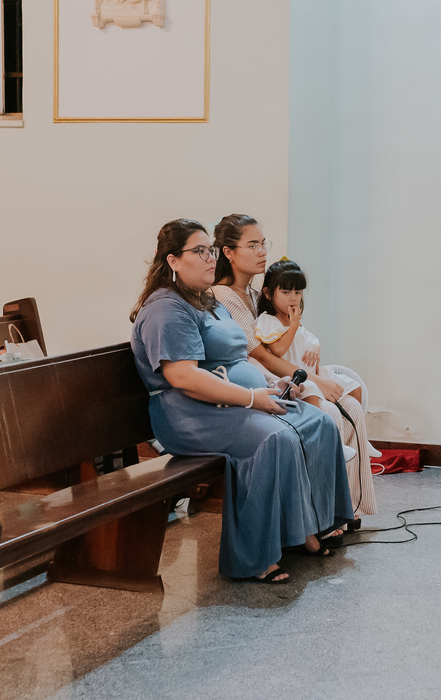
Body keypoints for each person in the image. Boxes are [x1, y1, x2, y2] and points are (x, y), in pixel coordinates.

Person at [130, 219, 352, 583]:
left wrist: (272, 381)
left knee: (318, 424)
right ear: (172, 260)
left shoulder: (208, 301)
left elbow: (240, 357)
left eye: (210, 250)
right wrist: (251, 398)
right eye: (198, 251)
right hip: (188, 413)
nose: (208, 258)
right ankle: (254, 558)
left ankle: (305, 530)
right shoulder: (166, 309)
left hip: (231, 402)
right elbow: (182, 377)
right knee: (272, 438)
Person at [210, 214, 377, 522]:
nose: (262, 251)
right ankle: (318, 517)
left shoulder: (252, 293)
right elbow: (261, 355)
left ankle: (347, 507)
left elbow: (287, 338)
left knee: (352, 408)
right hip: (264, 382)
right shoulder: (224, 296)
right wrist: (315, 381)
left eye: (263, 244)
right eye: (252, 245)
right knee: (327, 414)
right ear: (229, 252)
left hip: (282, 374)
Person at [254, 259, 379, 519]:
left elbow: (310, 342)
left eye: (297, 292)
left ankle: (355, 491)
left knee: (352, 392)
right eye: (285, 292)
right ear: (268, 293)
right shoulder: (268, 321)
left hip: (311, 373)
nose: (293, 298)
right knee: (317, 395)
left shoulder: (296, 320)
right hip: (294, 379)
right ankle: (326, 434)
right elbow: (276, 350)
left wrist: (316, 345)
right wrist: (294, 324)